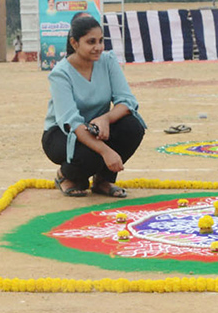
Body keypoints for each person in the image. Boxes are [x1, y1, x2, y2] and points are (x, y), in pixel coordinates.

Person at [42, 13, 145, 198]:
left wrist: (105, 118)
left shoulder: (108, 61)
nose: (98, 47)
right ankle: (66, 176)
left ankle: (103, 181)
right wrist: (106, 152)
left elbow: (127, 101)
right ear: (74, 43)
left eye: (101, 41)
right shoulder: (60, 74)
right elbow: (71, 123)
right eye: (91, 42)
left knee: (133, 127)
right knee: (89, 155)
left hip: (96, 128)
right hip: (62, 134)